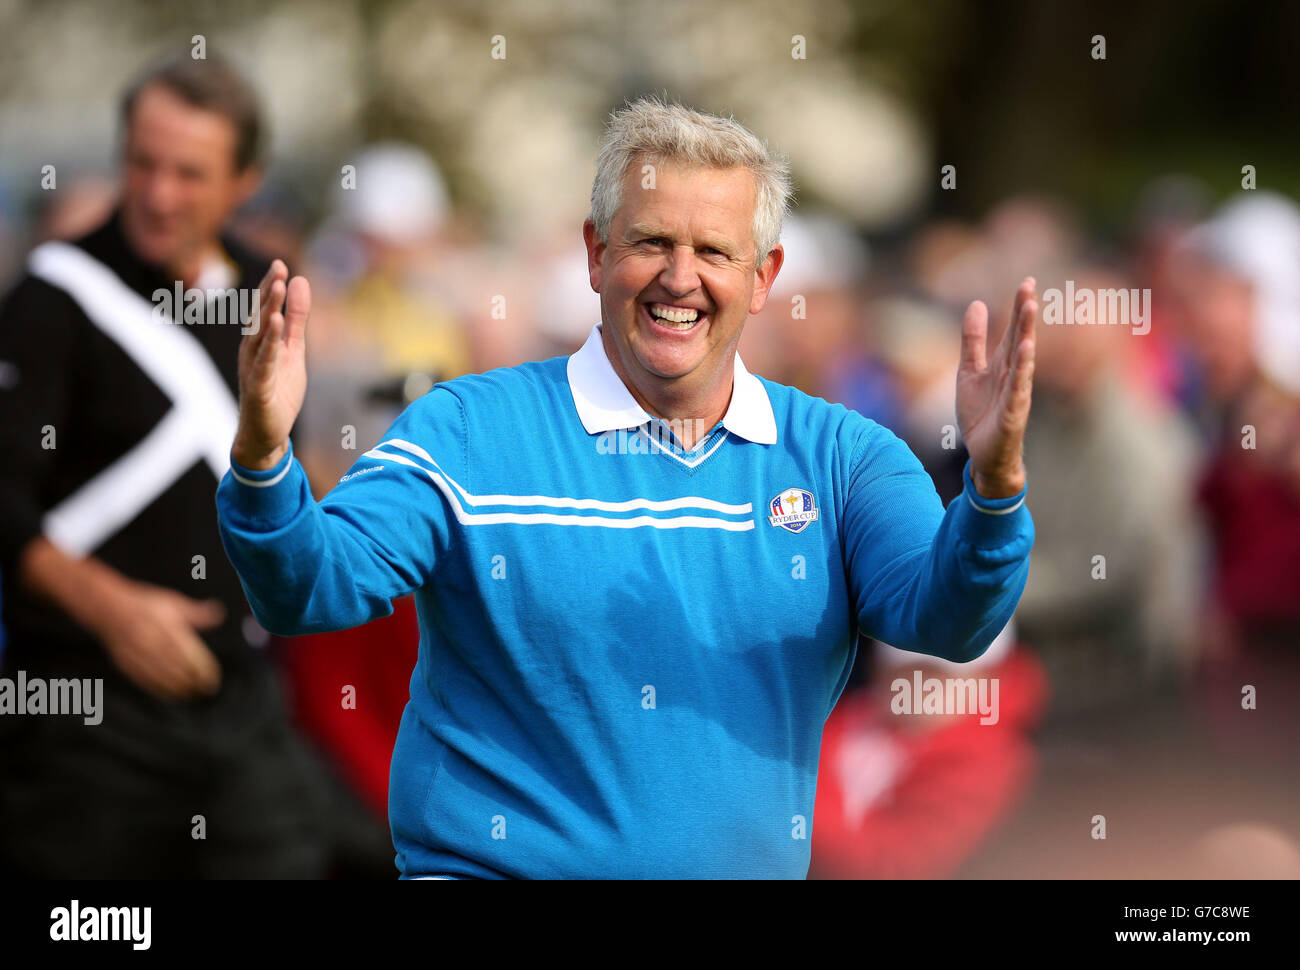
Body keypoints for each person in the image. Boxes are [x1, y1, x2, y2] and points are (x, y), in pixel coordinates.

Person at [216, 96, 1038, 879]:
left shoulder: (845, 457)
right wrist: (262, 460)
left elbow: (948, 624)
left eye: (714, 251)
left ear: (764, 276)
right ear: (596, 253)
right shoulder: (466, 427)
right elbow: (312, 591)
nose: (679, 278)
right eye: (650, 243)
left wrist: (993, 491)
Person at [0, 52, 327, 878]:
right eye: (142, 163)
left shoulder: (268, 293)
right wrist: (114, 611)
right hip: (83, 715)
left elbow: (278, 480)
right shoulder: (53, 294)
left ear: (244, 180)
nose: (158, 192)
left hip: (240, 706)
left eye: (190, 172)